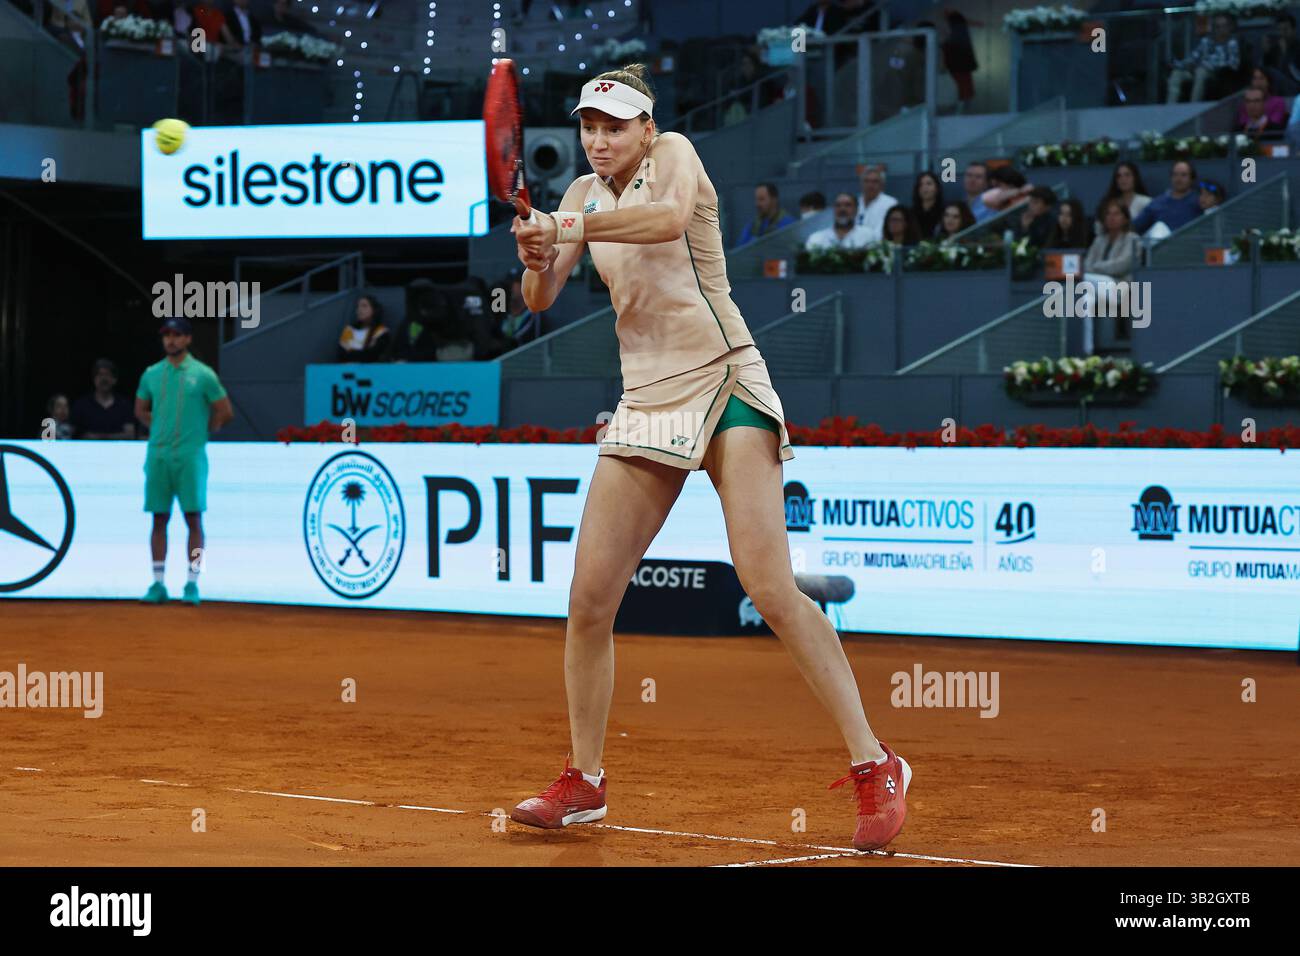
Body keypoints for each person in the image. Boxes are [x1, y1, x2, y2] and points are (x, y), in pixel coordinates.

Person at [510, 63, 910, 851]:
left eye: (614, 127)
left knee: (767, 584)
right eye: (589, 126)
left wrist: (568, 232)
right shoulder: (580, 197)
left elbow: (661, 221)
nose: (598, 141)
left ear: (645, 130)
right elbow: (541, 298)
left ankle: (876, 761)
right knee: (590, 600)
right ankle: (585, 781)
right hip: (645, 400)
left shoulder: (677, 157)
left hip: (726, 379)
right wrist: (535, 255)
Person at [134, 317, 233, 606]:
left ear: (188, 339)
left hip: (190, 456)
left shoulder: (203, 374)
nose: (171, 341)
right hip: (159, 455)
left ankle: (192, 583)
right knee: (158, 518)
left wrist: (205, 428)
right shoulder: (152, 373)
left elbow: (225, 411)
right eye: (167, 335)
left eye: (177, 335)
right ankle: (158, 583)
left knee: (193, 518)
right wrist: (160, 426)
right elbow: (140, 409)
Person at [1082, 199, 1141, 352]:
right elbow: (1086, 264)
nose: (1111, 217)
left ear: (1125, 218)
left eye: (1116, 214)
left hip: (1121, 288)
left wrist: (1096, 267)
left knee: (1081, 279)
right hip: (1096, 285)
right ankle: (1087, 349)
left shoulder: (1133, 239)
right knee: (1084, 300)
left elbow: (1122, 265)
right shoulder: (1099, 240)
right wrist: (1094, 268)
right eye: (1108, 214)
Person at [1167, 13, 1240, 103]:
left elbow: (1233, 64)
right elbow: (1193, 57)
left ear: (1230, 27)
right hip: (1196, 70)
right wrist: (1179, 64)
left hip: (1215, 73)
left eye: (1223, 26)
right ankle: (1170, 106)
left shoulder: (1232, 43)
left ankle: (1193, 107)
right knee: (1176, 74)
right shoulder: (1206, 41)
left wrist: (1208, 66)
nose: (1220, 29)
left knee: (1201, 72)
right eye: (1217, 26)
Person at [71, 358, 137, 439]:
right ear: (94, 379)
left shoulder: (125, 405)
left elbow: (130, 435)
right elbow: (72, 434)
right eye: (100, 375)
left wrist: (99, 437)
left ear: (114, 380)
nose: (103, 379)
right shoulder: (81, 405)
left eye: (107, 375)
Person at [1132, 160, 1201, 237]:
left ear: (1192, 178)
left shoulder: (1199, 201)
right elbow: (1136, 226)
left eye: (1183, 175)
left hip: (1191, 245)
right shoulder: (1158, 202)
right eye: (1175, 174)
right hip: (1162, 246)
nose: (1179, 179)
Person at [939, 8, 978, 112]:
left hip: (956, 65)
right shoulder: (962, 33)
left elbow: (948, 47)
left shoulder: (955, 34)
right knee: (965, 89)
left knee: (962, 89)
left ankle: (961, 110)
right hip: (963, 64)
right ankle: (964, 109)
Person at [735, 182, 797, 247]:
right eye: (756, 199)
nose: (757, 204)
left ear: (774, 200)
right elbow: (739, 250)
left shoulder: (789, 226)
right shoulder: (752, 227)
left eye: (761, 199)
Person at [804, 193, 872, 250]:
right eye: (838, 205)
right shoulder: (816, 239)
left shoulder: (868, 236)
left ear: (856, 210)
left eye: (848, 205)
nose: (842, 209)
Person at [1095, 161, 1151, 230]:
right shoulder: (1108, 203)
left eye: (1127, 175)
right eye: (1119, 176)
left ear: (1135, 178)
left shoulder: (1146, 202)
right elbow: (1098, 227)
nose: (1123, 179)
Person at [337, 294, 391, 363]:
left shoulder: (381, 332)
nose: (359, 310)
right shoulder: (349, 330)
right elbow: (342, 355)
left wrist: (352, 352)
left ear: (374, 310)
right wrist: (362, 353)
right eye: (358, 306)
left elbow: (373, 355)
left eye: (364, 306)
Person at [853, 165, 898, 242]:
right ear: (861, 183)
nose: (870, 185)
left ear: (882, 184)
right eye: (866, 181)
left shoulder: (891, 203)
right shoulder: (855, 202)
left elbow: (883, 231)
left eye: (875, 181)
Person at [1261, 11, 1300, 96]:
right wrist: (1266, 52)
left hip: (1295, 86)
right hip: (1277, 87)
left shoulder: (1298, 47)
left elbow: (1293, 72)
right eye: (1279, 30)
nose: (1282, 33)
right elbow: (1267, 70)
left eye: (1285, 29)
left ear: (1293, 29)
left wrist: (1285, 52)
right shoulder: (1276, 48)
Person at [910, 170, 944, 239]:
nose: (924, 187)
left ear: (937, 188)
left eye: (929, 184)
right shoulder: (910, 213)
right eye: (921, 184)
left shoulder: (944, 212)